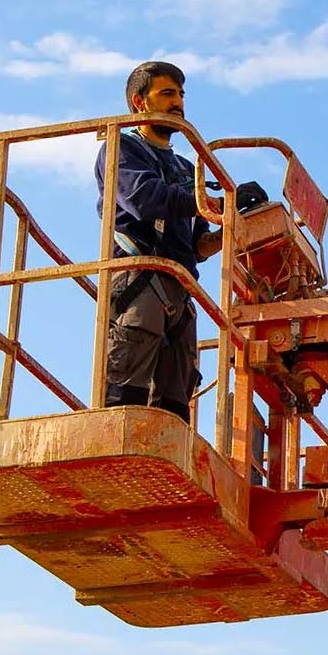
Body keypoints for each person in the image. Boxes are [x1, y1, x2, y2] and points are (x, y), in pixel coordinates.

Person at [95, 61, 224, 425]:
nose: (178, 103)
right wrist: (211, 202)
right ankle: (118, 462)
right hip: (139, 279)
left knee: (174, 402)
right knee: (126, 396)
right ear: (140, 102)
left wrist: (231, 220)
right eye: (167, 94)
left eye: (181, 95)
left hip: (180, 289)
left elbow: (198, 244)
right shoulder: (121, 148)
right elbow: (144, 199)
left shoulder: (186, 168)